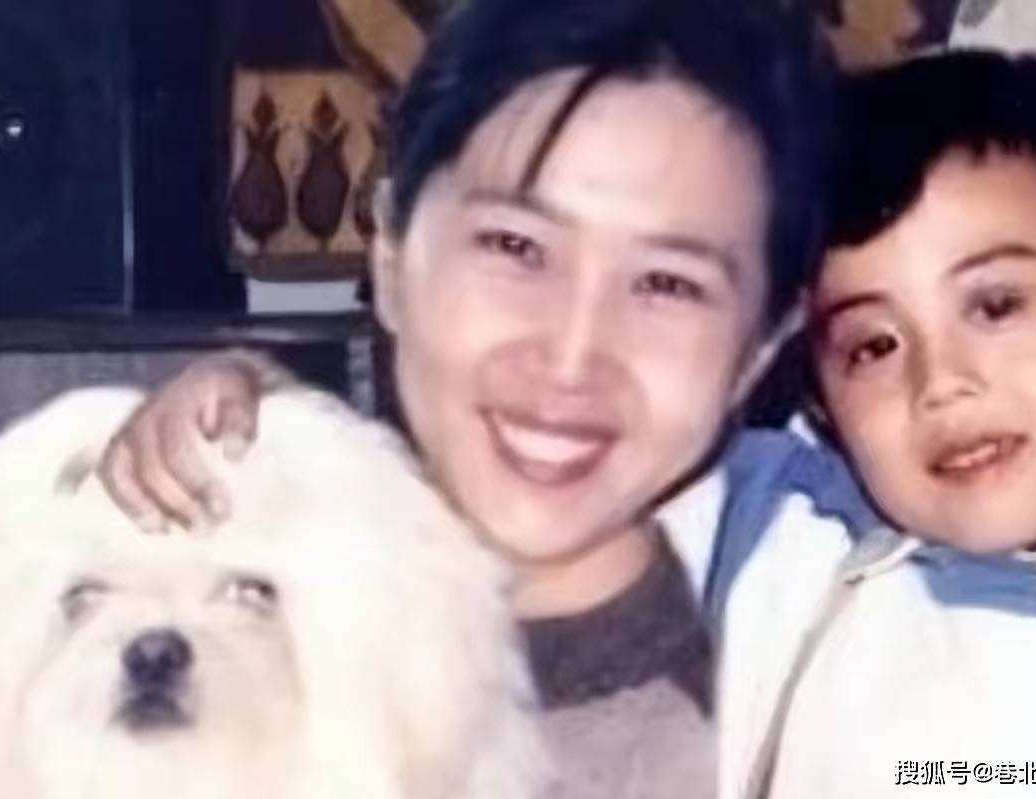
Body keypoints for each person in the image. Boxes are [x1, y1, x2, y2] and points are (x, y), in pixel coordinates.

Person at [99, 1, 835, 796]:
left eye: (666, 283)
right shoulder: (193, 604)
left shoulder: (822, 712)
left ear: (761, 348)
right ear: (389, 257)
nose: (570, 357)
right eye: (515, 246)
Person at [715, 51, 1036, 798]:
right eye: (873, 347)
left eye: (995, 306)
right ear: (822, 404)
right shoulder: (770, 532)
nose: (939, 382)